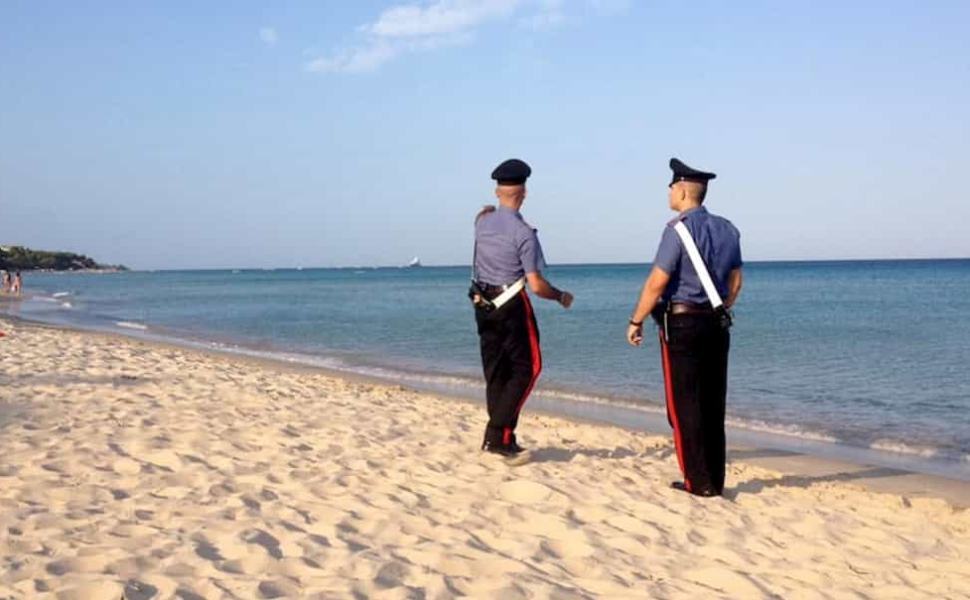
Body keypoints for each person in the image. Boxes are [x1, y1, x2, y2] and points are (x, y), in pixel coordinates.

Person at [626, 158, 743, 497]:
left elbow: (656, 283)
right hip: (717, 323)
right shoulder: (728, 229)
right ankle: (715, 481)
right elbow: (736, 282)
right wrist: (719, 306)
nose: (668, 192)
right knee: (712, 402)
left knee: (685, 404)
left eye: (670, 186)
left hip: (683, 324)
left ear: (681, 190)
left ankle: (697, 481)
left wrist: (635, 321)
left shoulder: (676, 230)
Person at [471, 158, 574, 457]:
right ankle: (495, 433)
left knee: (497, 371)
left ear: (497, 191)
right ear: (525, 193)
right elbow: (537, 285)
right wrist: (561, 296)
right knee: (528, 368)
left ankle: (505, 437)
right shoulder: (524, 233)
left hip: (483, 304)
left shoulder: (482, 222)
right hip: (511, 305)